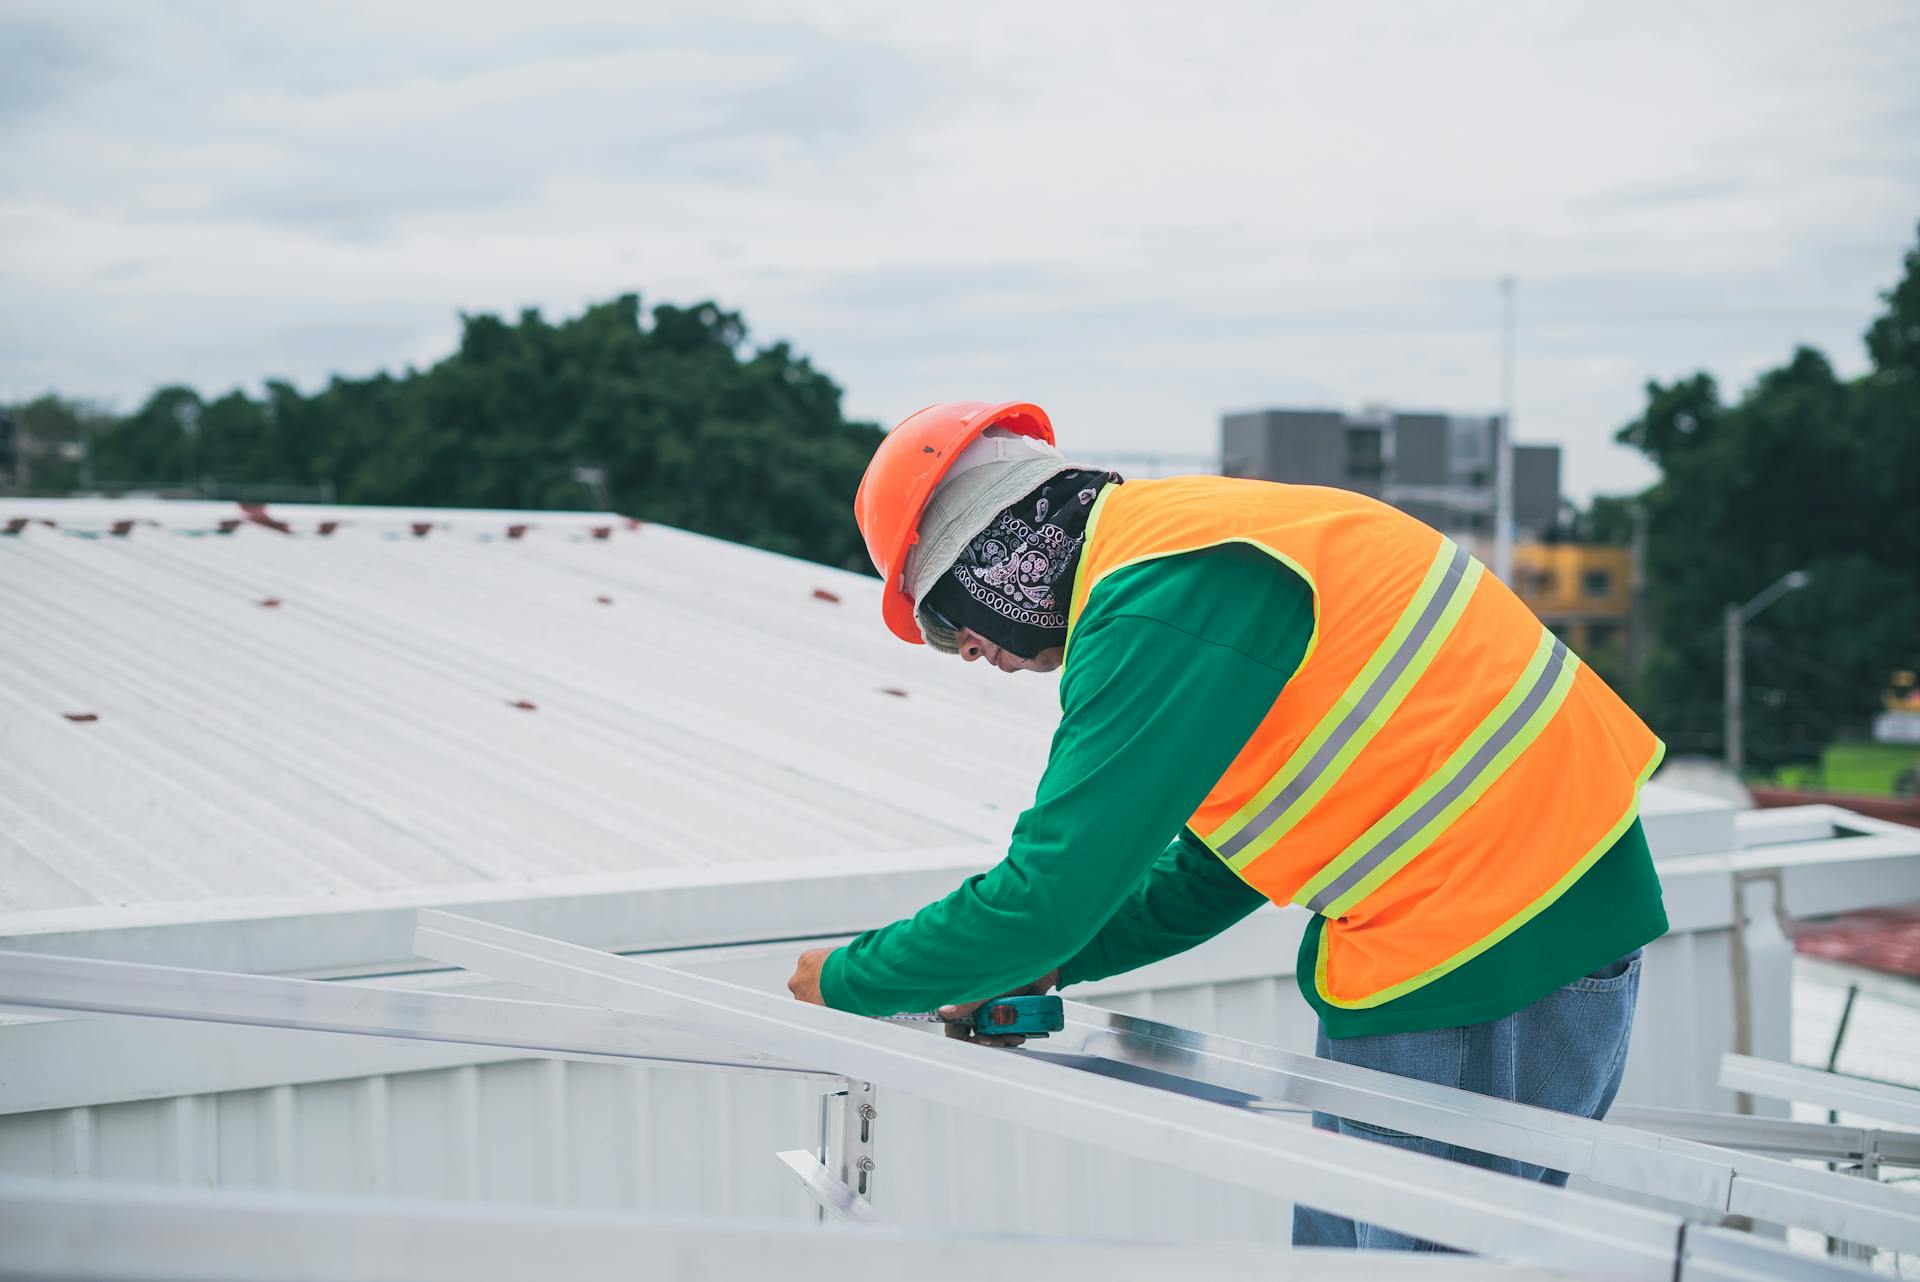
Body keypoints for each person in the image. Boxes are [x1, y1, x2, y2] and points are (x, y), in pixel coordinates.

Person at [786, 401, 1667, 1251]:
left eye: (945, 620)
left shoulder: (1157, 596)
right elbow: (1214, 872)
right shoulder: (1186, 552)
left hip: (1484, 936)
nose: (968, 653)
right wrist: (1048, 964)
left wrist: (847, 982)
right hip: (1498, 925)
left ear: (987, 552)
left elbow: (1044, 896)